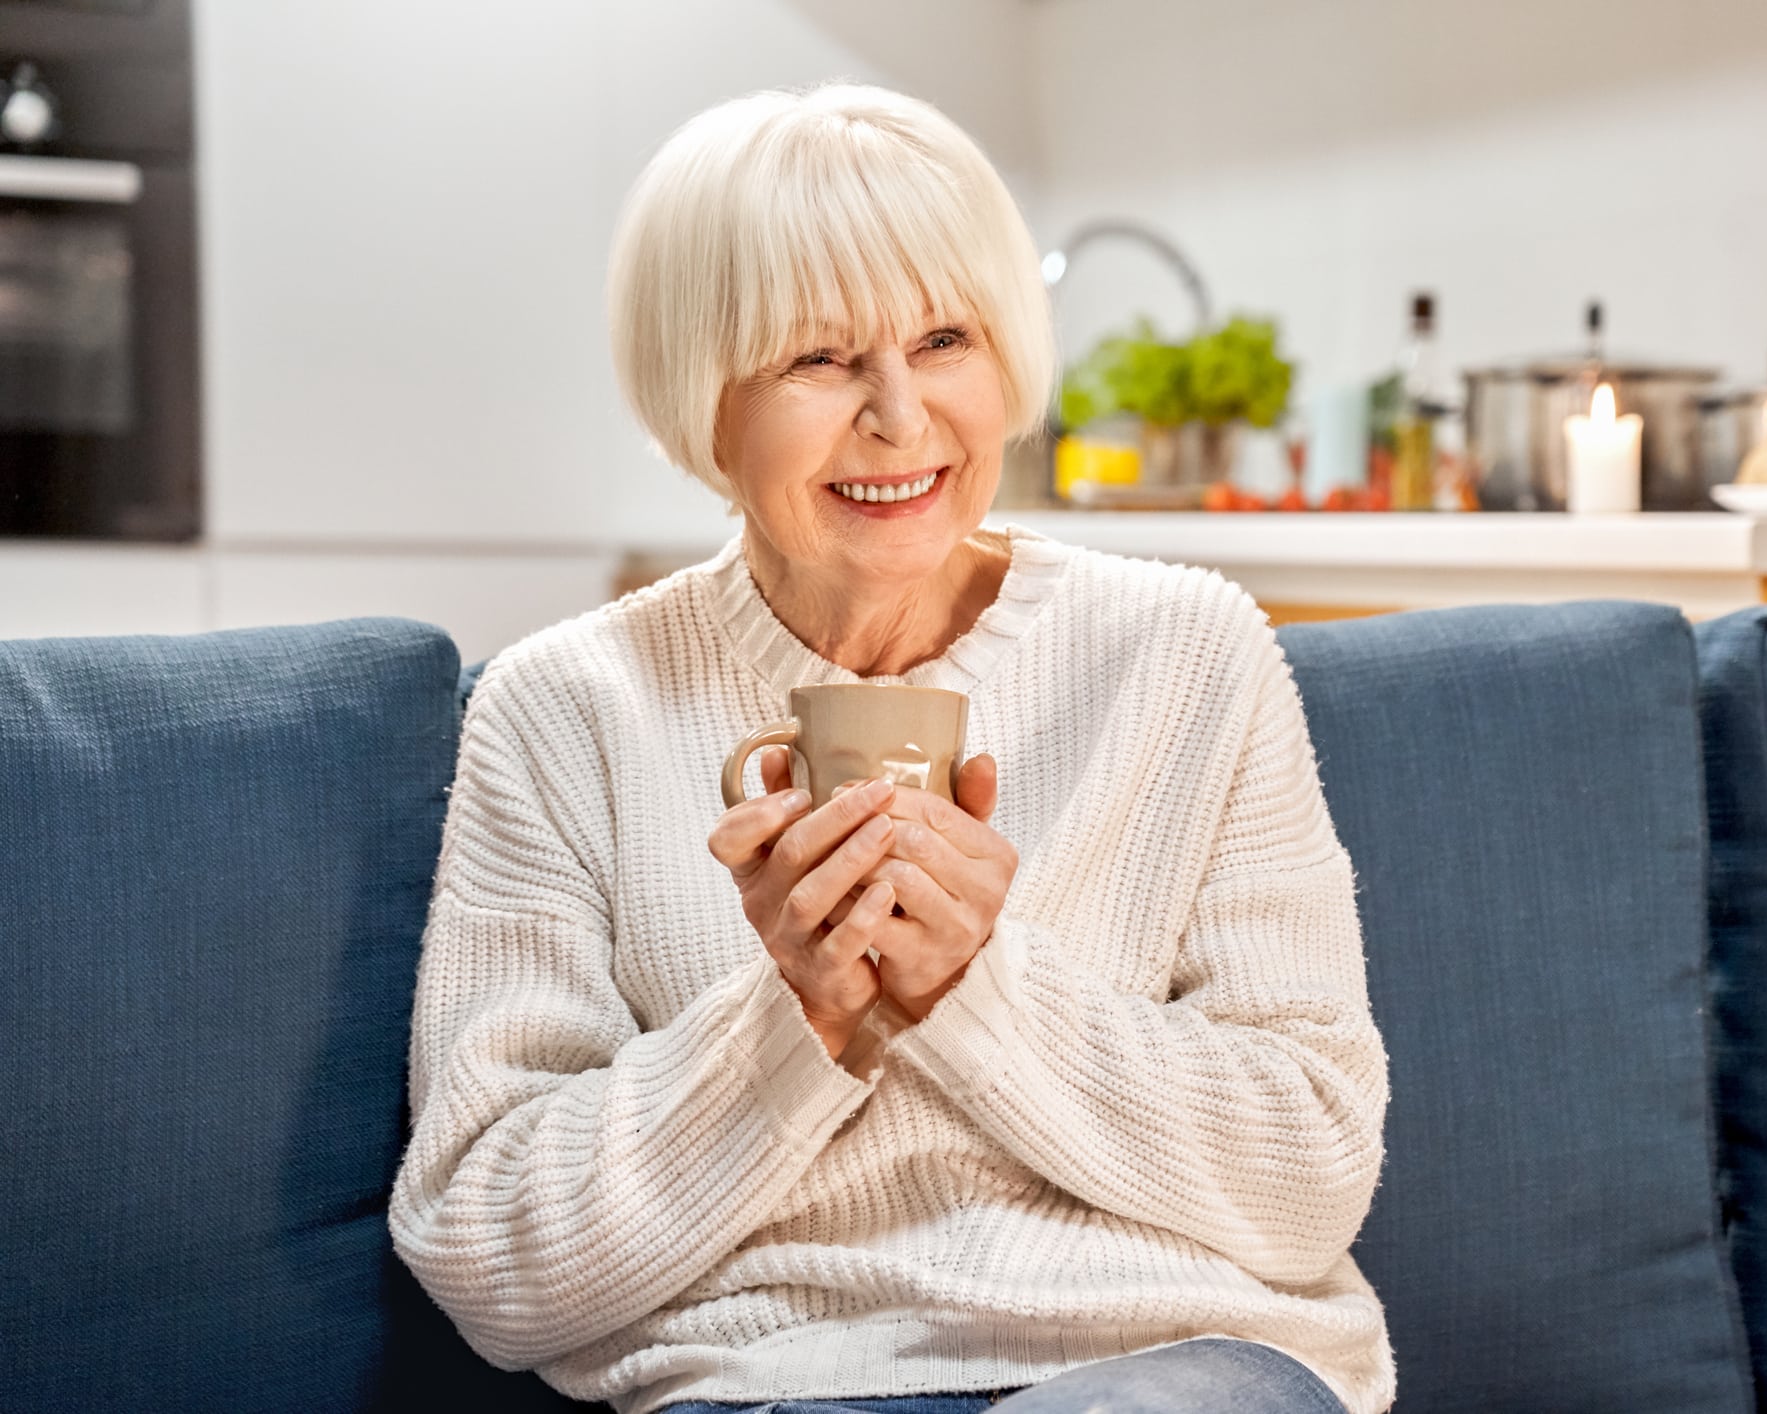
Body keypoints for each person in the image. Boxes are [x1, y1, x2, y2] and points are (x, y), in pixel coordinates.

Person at [387, 82, 1391, 1414]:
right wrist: (794, 1015)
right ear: (706, 400)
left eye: (943, 339)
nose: (901, 418)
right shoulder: (565, 707)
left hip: (1160, 1369)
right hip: (766, 1384)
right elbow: (494, 1253)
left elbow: (1307, 1174)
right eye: (818, 358)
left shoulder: (1186, 652)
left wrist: (976, 984)